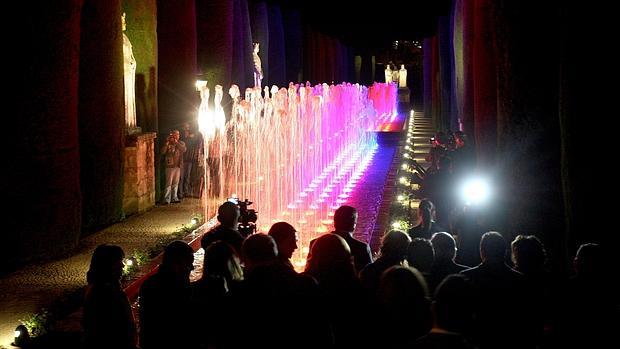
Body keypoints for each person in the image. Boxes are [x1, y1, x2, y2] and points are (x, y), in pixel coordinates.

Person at [139, 241, 195, 349]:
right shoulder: (179, 287)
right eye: (189, 263)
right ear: (176, 264)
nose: (192, 268)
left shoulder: (149, 284)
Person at [82, 244, 137, 349]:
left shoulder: (101, 287)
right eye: (119, 262)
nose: (123, 266)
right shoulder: (106, 293)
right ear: (108, 265)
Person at [309, 205, 372, 273]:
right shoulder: (361, 248)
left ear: (335, 222)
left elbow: (309, 270)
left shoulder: (315, 243)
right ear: (354, 224)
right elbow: (369, 275)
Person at [160, 129, 186, 204]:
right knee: (168, 183)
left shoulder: (181, 143)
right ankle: (166, 199)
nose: (176, 136)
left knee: (176, 182)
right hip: (169, 166)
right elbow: (163, 152)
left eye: (177, 134)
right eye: (174, 134)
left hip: (178, 166)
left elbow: (183, 149)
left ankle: (174, 198)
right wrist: (167, 143)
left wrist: (176, 142)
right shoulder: (168, 144)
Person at [122, 13, 137, 131]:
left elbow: (131, 57)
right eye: (122, 20)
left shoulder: (126, 39)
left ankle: (130, 124)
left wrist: (133, 63)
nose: (124, 22)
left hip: (128, 71)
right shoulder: (119, 39)